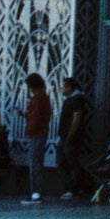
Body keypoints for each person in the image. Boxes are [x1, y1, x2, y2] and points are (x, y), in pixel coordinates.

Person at [57, 76, 92, 200]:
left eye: (63, 86)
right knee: (64, 161)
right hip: (65, 136)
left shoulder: (76, 100)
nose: (61, 89)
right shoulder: (70, 100)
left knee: (71, 162)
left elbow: (76, 119)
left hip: (71, 137)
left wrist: (69, 136)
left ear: (70, 87)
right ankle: (73, 186)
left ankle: (75, 188)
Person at [22, 75, 51, 203]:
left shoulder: (38, 97)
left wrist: (30, 129)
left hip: (37, 133)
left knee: (35, 163)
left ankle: (36, 192)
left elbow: (36, 117)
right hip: (41, 132)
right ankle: (36, 191)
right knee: (37, 162)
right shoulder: (43, 96)